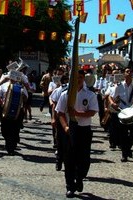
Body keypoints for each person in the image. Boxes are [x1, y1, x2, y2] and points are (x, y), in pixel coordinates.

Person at [55, 69, 99, 198]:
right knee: (69, 159)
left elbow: (92, 112)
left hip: (84, 130)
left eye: (80, 77)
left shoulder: (90, 95)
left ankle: (80, 177)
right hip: (70, 130)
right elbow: (60, 112)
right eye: (75, 77)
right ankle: (70, 186)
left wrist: (77, 114)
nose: (78, 80)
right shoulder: (65, 94)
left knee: (84, 159)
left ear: (83, 78)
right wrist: (65, 127)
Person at [109, 67, 133, 162]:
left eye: (130, 71)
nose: (129, 73)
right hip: (123, 112)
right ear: (124, 74)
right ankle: (124, 154)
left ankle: (127, 148)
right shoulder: (119, 85)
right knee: (123, 135)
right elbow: (111, 97)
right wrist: (113, 104)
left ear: (132, 74)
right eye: (127, 71)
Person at [0, 71, 28, 155]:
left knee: (15, 130)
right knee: (4, 130)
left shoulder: (21, 86)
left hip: (18, 111)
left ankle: (11, 148)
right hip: (6, 109)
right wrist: (0, 100)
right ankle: (9, 141)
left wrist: (22, 95)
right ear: (9, 77)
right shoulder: (4, 85)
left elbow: (26, 98)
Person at [50, 73, 69, 171]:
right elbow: (54, 105)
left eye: (67, 79)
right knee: (60, 142)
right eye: (65, 79)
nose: (66, 81)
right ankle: (59, 160)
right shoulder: (58, 90)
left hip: (72, 120)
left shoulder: (73, 89)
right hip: (61, 119)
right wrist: (53, 118)